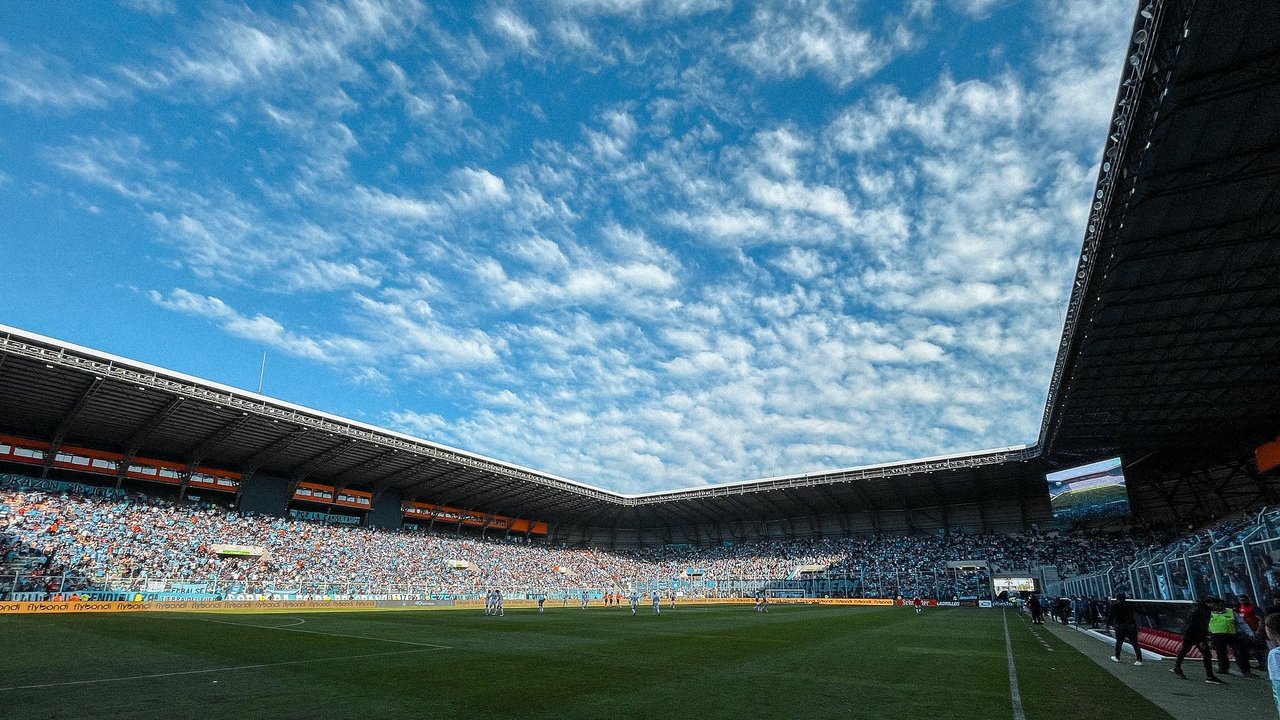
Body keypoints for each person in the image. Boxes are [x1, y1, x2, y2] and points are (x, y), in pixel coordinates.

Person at [1171, 598, 1224, 684]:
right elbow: (1197, 626)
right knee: (1206, 654)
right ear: (1208, 603)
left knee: (1185, 650)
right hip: (1195, 636)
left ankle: (1177, 667)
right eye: (1215, 604)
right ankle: (1210, 676)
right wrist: (1202, 639)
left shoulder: (1200, 610)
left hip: (1190, 634)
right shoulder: (1202, 612)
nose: (1216, 607)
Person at [1209, 596, 1253, 677]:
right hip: (1217, 636)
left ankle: (1246, 670)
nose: (1217, 606)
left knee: (1240, 653)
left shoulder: (1231, 612)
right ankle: (1223, 668)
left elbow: (1242, 624)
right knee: (1221, 653)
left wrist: (1250, 633)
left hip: (1232, 635)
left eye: (1219, 604)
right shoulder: (1209, 614)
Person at [1108, 593, 1144, 666]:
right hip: (1130, 626)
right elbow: (1133, 616)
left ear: (1117, 598)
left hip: (1120, 626)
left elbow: (1111, 616)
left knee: (1119, 642)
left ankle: (1117, 657)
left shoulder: (1115, 606)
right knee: (1135, 643)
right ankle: (1139, 659)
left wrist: (1108, 623)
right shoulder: (1129, 606)